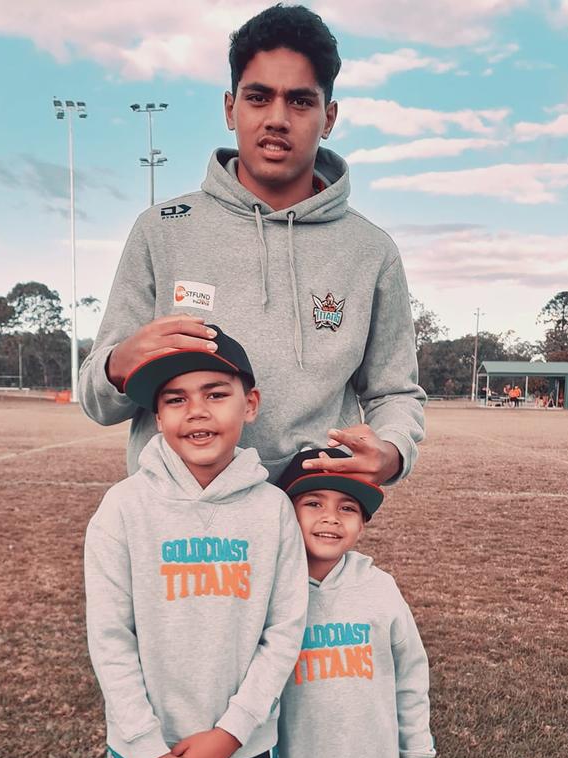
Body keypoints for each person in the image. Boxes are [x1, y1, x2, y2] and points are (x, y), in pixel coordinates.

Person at [79, 4, 425, 485]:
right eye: (259, 97)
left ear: (329, 117)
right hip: (180, 529)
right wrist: (120, 364)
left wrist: (391, 451)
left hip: (306, 527)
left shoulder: (371, 251)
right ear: (230, 108)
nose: (278, 118)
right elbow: (97, 400)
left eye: (301, 102)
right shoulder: (161, 230)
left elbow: (394, 393)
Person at [84, 326, 307, 758]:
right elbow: (110, 638)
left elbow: (284, 631)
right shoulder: (123, 507)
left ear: (251, 405)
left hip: (245, 744)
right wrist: (148, 748)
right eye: (176, 399)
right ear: (158, 416)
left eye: (216, 394)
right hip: (145, 749)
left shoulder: (274, 509)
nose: (197, 412)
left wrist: (230, 733)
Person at [276, 449, 436, 758]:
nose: (331, 517)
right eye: (313, 503)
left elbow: (411, 681)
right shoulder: (271, 594)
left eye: (347, 508)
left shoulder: (380, 589)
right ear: (285, 514)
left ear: (362, 525)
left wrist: (417, 757)